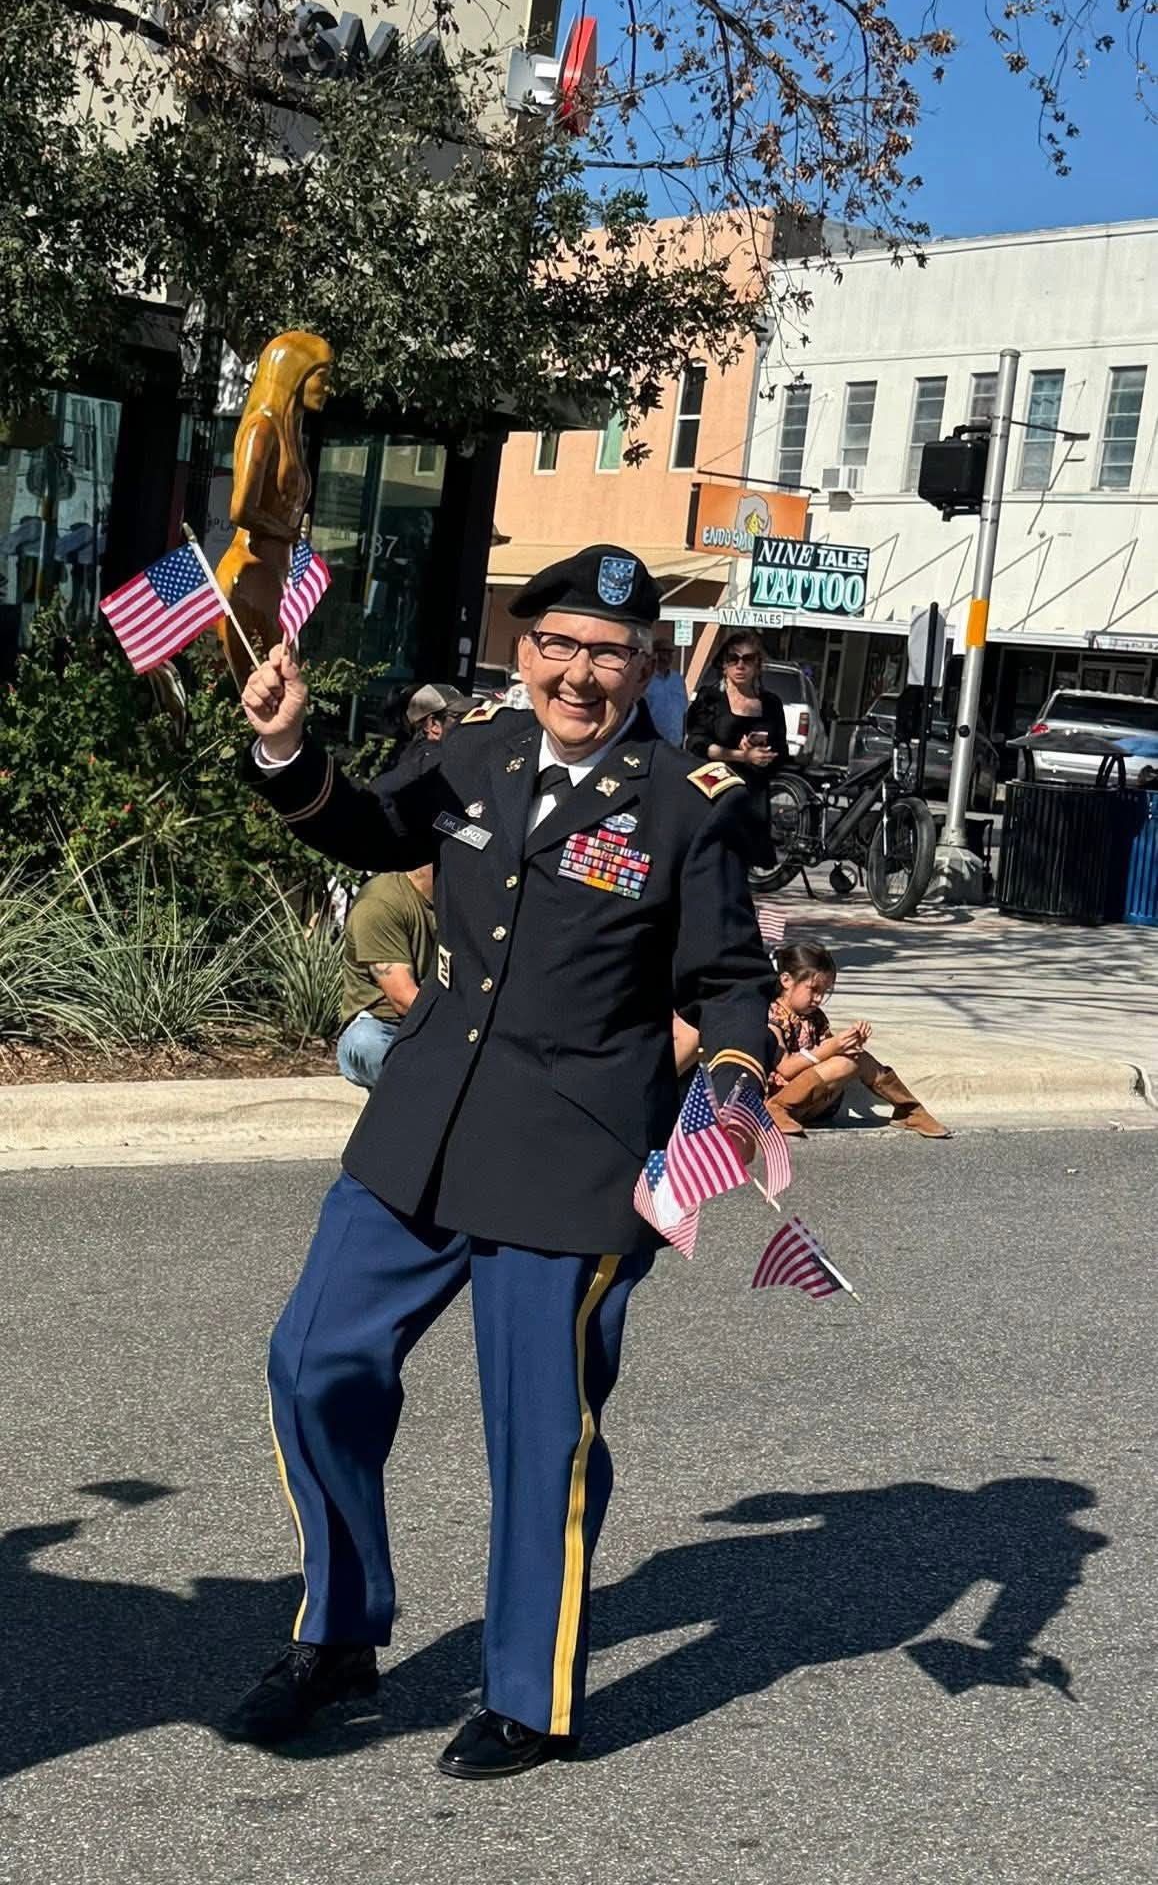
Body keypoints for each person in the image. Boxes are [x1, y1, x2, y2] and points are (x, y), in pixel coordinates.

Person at [228, 542, 776, 1779]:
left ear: (645, 666)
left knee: (541, 1433)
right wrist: (284, 749)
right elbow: (367, 824)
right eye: (560, 646)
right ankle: (342, 1630)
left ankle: (527, 1693)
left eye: (610, 653)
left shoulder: (690, 800)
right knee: (314, 1361)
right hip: (420, 1126)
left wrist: (734, 1074)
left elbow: (731, 976)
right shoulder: (475, 746)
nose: (580, 674)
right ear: (524, 649)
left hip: (571, 1155)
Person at [765, 942, 948, 1138]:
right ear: (786, 981)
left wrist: (851, 1042)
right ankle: (776, 1108)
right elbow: (785, 1068)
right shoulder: (773, 1016)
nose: (818, 998)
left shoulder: (814, 1017)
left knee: (856, 1057)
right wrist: (833, 1047)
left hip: (816, 1102)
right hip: (784, 1095)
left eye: (824, 991)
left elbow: (828, 1055)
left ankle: (909, 1110)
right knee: (844, 1063)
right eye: (813, 989)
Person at [684, 636, 788, 874]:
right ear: (724, 664)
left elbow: (782, 752)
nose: (740, 666)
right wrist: (740, 756)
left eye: (748, 659)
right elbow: (696, 744)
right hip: (714, 793)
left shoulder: (770, 703)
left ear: (758, 665)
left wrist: (763, 751)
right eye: (733, 659)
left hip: (751, 797)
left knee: (741, 871)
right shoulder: (710, 698)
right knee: (711, 863)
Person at [335, 864, 437, 1089]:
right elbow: (403, 999)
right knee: (366, 1044)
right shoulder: (379, 904)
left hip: (443, 1024)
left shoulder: (466, 902)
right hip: (384, 1025)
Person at [644, 637, 689, 745]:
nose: (668, 656)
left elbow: (683, 710)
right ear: (654, 654)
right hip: (651, 742)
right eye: (664, 652)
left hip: (675, 742)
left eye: (671, 653)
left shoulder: (677, 679)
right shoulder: (646, 678)